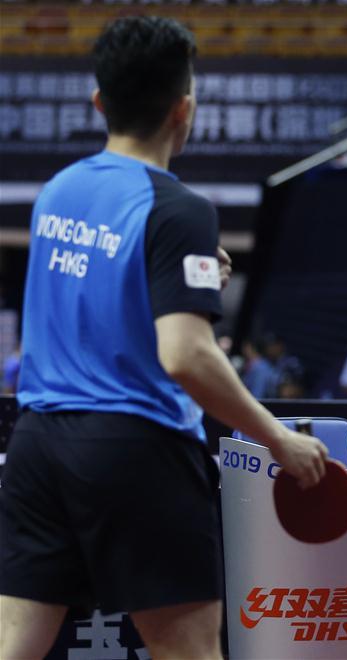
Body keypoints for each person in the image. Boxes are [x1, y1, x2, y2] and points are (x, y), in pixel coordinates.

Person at [0, 17, 328, 660]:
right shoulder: (179, 208)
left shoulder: (56, 192)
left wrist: (191, 282)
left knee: (15, 646)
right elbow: (185, 354)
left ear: (100, 103)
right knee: (189, 652)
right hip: (135, 448)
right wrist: (279, 438)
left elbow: (101, 294)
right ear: (186, 109)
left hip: (38, 447)